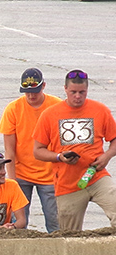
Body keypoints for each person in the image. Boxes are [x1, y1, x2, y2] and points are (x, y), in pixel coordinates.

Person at [33, 69, 116, 231]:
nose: (77, 96)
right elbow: (37, 151)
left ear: (87, 90)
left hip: (96, 175)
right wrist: (59, 157)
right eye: (73, 92)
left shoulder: (100, 110)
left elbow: (114, 139)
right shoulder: (49, 115)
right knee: (69, 234)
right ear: (65, 89)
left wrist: (107, 156)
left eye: (82, 92)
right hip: (67, 183)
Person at [0, 68, 62, 232]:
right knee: (18, 224)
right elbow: (9, 151)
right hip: (21, 174)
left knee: (55, 223)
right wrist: (12, 182)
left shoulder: (57, 106)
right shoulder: (13, 109)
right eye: (27, 92)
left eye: (35, 91)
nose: (31, 96)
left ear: (44, 86)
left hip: (49, 175)